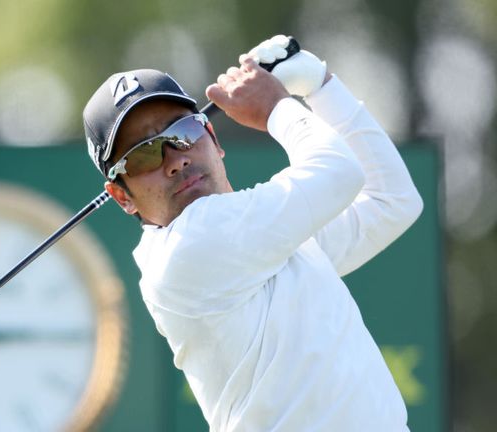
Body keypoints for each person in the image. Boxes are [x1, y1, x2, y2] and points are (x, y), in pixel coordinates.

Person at [82, 35, 423, 431]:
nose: (175, 159)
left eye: (184, 131)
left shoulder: (258, 235)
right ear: (122, 196)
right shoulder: (189, 247)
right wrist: (277, 105)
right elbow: (339, 172)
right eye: (143, 154)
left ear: (212, 137)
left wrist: (321, 86)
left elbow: (392, 200)